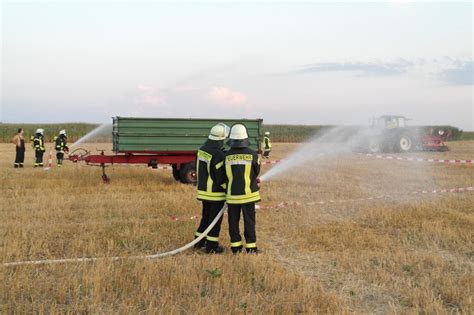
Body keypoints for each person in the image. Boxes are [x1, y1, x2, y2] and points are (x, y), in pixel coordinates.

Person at [225, 124, 261, 254]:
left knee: (233, 222)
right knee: (249, 222)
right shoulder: (252, 154)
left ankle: (236, 248)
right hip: (249, 196)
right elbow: (256, 172)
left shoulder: (226, 155)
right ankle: (251, 248)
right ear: (245, 138)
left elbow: (223, 176)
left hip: (232, 196)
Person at [194, 123, 229, 254]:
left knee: (206, 218)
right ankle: (212, 247)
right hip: (215, 193)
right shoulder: (218, 154)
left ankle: (198, 242)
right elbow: (220, 177)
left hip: (203, 192)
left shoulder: (203, 149)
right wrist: (229, 188)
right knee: (214, 221)